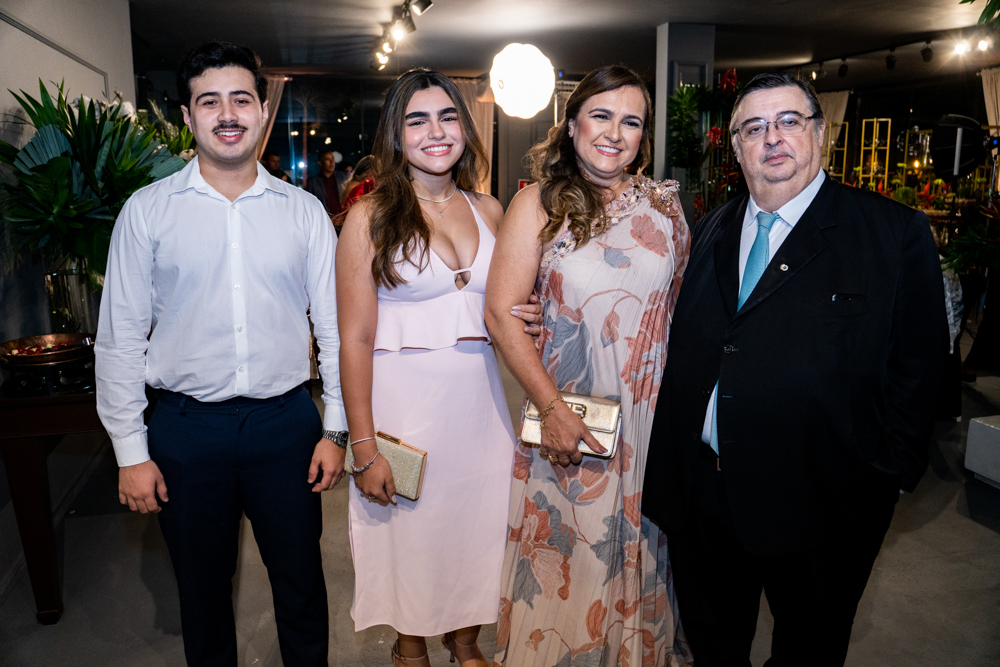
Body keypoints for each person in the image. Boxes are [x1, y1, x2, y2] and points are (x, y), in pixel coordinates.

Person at [641, 72, 949, 666]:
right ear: (735, 147)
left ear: (820, 131)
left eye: (788, 121)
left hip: (824, 506)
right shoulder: (709, 229)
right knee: (713, 648)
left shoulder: (890, 233)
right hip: (707, 500)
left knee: (809, 652)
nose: (772, 139)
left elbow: (921, 366)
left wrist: (886, 476)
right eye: (753, 128)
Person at [95, 42, 347, 667]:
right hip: (184, 431)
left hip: (285, 425)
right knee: (202, 598)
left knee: (301, 588)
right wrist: (131, 451)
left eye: (241, 99)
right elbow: (120, 337)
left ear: (263, 111)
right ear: (188, 116)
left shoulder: (305, 213)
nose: (227, 113)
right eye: (210, 101)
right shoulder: (147, 212)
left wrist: (336, 427)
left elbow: (337, 330)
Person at [485, 65, 692, 667]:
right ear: (572, 124)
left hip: (652, 423)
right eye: (601, 115)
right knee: (569, 563)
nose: (614, 133)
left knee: (646, 553)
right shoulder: (537, 204)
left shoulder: (665, 207)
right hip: (570, 421)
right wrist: (550, 410)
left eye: (632, 121)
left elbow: (684, 310)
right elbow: (501, 314)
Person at [336, 68, 542, 667]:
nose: (436, 131)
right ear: (397, 135)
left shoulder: (490, 208)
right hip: (404, 413)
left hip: (480, 412)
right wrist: (365, 447)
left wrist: (525, 312)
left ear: (466, 128)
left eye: (448, 116)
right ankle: (411, 649)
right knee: (411, 544)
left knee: (478, 538)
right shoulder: (368, 217)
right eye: (417, 119)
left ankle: (467, 643)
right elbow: (352, 340)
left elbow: (508, 307)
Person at [306, 148, 343, 217]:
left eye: (333, 159)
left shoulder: (343, 178)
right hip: (325, 218)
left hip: (342, 218)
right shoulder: (313, 182)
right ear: (320, 162)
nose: (332, 162)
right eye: (327, 159)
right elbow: (310, 203)